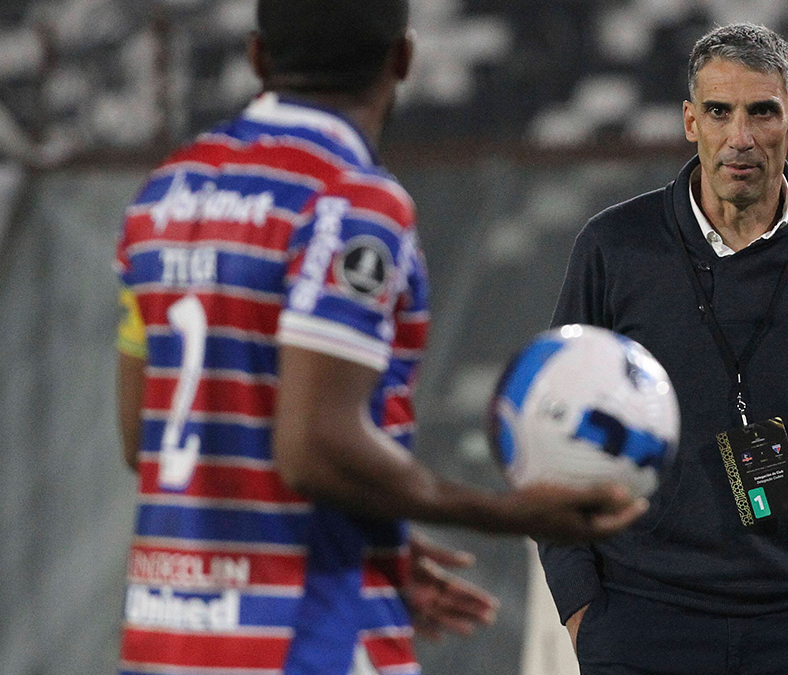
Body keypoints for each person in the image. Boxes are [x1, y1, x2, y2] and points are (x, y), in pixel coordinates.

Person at [112, 2, 647, 673]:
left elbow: (144, 435)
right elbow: (314, 447)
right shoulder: (349, 198)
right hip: (306, 637)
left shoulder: (162, 196)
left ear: (256, 58)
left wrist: (378, 533)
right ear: (402, 59)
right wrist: (508, 512)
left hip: (168, 636)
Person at [539, 23, 788, 675]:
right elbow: (553, 432)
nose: (740, 136)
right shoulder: (614, 248)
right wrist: (584, 611)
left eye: (761, 111)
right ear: (691, 121)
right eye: (719, 111)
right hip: (643, 624)